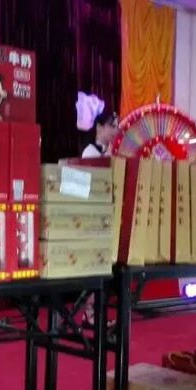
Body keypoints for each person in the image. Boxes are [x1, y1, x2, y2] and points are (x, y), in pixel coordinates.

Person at [79, 108, 118, 327]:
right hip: (91, 217)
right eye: (111, 125)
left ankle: (95, 313)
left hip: (106, 216)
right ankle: (89, 313)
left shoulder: (111, 152)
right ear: (99, 127)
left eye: (117, 126)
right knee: (93, 266)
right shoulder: (90, 152)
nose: (115, 130)